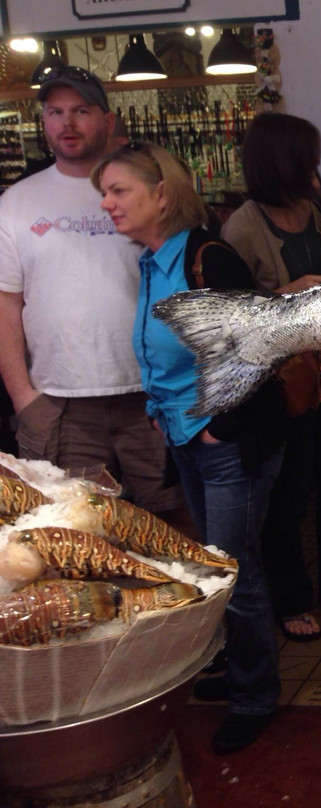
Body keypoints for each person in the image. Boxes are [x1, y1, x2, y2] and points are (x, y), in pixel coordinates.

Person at [92, 140, 286, 755]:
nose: (107, 203)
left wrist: (219, 429)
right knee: (216, 567)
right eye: (106, 192)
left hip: (225, 443)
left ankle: (256, 694)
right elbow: (167, 357)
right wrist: (162, 413)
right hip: (187, 440)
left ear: (162, 194)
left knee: (233, 572)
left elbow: (260, 350)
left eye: (119, 190)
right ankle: (239, 669)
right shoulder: (152, 262)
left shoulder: (208, 258)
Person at [222, 112, 321, 643]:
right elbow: (233, 315)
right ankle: (291, 597)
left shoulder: (317, 210)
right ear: (283, 162)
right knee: (290, 494)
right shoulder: (243, 225)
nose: (316, 169)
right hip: (285, 382)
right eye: (309, 159)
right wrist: (288, 292)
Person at [0, 66, 183, 520]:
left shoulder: (143, 192)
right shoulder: (16, 202)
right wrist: (24, 397)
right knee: (80, 539)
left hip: (151, 398)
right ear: (42, 120)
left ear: (108, 119)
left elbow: (183, 284)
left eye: (81, 110)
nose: (68, 122)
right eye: (55, 111)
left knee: (174, 529)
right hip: (60, 406)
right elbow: (6, 307)